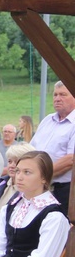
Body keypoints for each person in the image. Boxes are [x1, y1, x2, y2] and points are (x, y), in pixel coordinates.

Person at [30, 80, 75, 212]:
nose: (57, 99)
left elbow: (71, 159)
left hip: (63, 190)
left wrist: (40, 175)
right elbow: (31, 151)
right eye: (55, 95)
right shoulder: (47, 120)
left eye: (63, 95)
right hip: (39, 187)